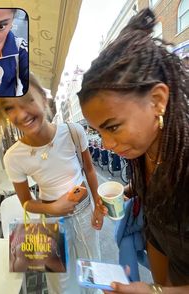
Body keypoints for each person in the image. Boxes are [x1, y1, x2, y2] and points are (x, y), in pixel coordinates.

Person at [78, 8, 189, 293]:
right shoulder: (143, 151)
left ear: (157, 100)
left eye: (112, 127)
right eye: (98, 131)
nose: (105, 145)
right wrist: (132, 190)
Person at [0, 73, 104, 294]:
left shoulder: (72, 131)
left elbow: (89, 169)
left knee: (93, 271)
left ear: (43, 98)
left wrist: (98, 203)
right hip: (51, 222)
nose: (21, 114)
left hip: (85, 212)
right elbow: (26, 203)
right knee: (61, 285)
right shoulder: (13, 157)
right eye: (9, 107)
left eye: (27, 100)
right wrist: (52, 208)